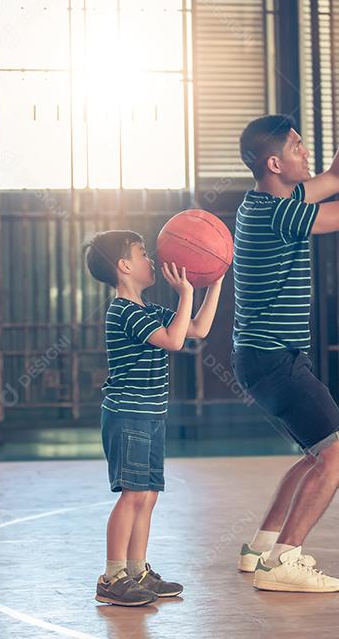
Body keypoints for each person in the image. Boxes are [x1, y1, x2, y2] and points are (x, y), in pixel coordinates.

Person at [231, 67, 339, 592]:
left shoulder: (266, 202)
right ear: (275, 163)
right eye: (298, 147)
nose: (306, 153)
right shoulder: (278, 215)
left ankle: (260, 548)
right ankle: (283, 561)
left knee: (316, 454)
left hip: (262, 358)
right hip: (274, 359)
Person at [83, 230, 224, 606]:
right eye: (142, 254)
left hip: (150, 415)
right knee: (132, 495)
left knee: (147, 496)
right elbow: (174, 341)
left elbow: (196, 329)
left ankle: (137, 571)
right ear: (124, 266)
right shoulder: (124, 311)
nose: (151, 260)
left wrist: (214, 281)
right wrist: (186, 293)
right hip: (128, 416)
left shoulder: (149, 311)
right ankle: (112, 577)